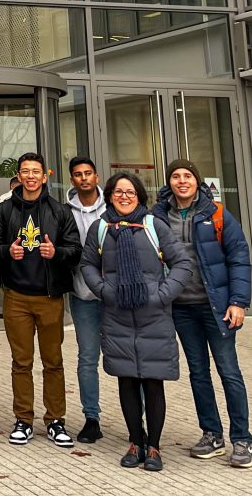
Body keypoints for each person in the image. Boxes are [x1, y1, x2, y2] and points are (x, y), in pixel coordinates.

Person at [81, 172, 193, 472]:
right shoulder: (101, 228)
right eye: (118, 192)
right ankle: (134, 441)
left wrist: (161, 294)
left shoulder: (153, 225)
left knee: (153, 383)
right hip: (117, 316)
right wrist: (105, 291)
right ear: (110, 195)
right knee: (127, 381)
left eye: (130, 191)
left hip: (153, 316)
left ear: (140, 196)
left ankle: (154, 447)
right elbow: (88, 264)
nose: (124, 196)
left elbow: (182, 263)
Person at [152, 159, 252, 469]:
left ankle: (242, 439)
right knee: (198, 372)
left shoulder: (217, 213)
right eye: (175, 176)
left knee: (229, 371)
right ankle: (212, 434)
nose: (182, 181)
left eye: (187, 176)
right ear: (169, 182)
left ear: (196, 181)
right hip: (182, 307)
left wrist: (238, 301)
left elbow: (239, 257)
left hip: (217, 307)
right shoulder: (158, 216)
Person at [0, 151, 81, 449]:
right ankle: (23, 419)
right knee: (21, 362)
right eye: (25, 170)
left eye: (35, 171)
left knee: (53, 361)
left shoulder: (59, 211)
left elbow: (75, 248)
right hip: (16, 297)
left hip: (49, 296)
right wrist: (5, 252)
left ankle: (55, 420)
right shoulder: (3, 210)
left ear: (45, 175)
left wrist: (57, 254)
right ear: (19, 175)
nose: (30, 176)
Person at [65, 155, 107, 444]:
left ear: (96, 176)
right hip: (81, 295)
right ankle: (91, 417)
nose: (83, 178)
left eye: (88, 173)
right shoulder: (64, 211)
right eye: (78, 174)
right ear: (72, 180)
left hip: (114, 296)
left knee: (128, 357)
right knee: (87, 358)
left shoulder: (114, 207)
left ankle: (138, 418)